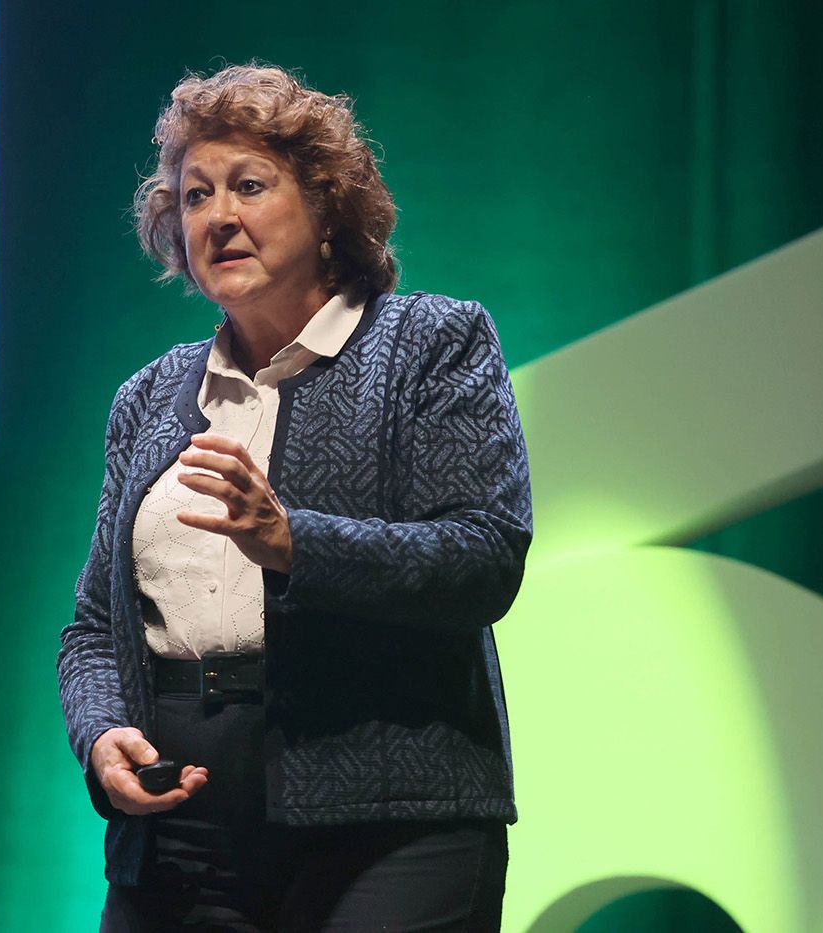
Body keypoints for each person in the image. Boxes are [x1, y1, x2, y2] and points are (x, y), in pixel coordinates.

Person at [58, 62, 531, 931]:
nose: (220, 216)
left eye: (249, 185)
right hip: (180, 840)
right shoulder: (149, 397)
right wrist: (100, 735)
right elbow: (94, 624)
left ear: (325, 209)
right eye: (195, 196)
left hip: (389, 830)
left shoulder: (430, 343)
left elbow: (484, 556)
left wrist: (292, 540)